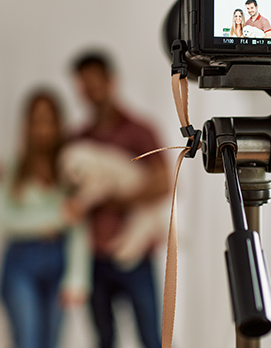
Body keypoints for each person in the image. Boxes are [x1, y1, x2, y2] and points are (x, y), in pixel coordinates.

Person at [69, 50, 171, 348]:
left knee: (151, 337)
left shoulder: (140, 131)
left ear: (111, 81)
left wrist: (116, 199)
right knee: (103, 338)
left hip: (135, 254)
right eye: (84, 85)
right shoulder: (79, 139)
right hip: (95, 255)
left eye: (95, 82)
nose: (90, 91)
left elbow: (164, 183)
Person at [0, 89, 90, 348]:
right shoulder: (12, 167)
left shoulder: (69, 167)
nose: (43, 128)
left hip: (58, 261)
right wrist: (57, 217)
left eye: (48, 120)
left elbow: (78, 226)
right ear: (27, 124)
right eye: (37, 120)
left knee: (50, 343)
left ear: (58, 123)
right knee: (27, 341)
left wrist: (77, 278)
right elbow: (5, 219)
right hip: (22, 262)